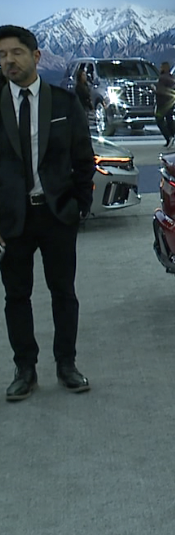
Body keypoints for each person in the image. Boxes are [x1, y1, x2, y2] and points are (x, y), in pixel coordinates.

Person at [0, 25, 96, 401]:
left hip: (56, 215)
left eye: (15, 53)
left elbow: (83, 158)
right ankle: (25, 369)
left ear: (36, 56)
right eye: (2, 55)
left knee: (63, 293)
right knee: (16, 297)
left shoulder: (63, 102)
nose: (8, 61)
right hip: (11, 220)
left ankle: (66, 364)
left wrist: (79, 207)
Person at [155, 61, 175, 147]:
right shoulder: (171, 77)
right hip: (170, 101)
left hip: (162, 102)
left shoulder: (162, 78)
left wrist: (154, 89)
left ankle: (168, 137)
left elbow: (160, 90)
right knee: (169, 119)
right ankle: (171, 136)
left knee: (159, 119)